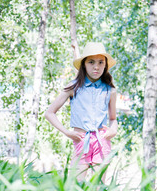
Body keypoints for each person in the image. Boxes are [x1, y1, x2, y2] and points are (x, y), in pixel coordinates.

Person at [45, 42, 118, 182]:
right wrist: (67, 132)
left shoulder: (110, 90)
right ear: (84, 64)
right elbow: (49, 113)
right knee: (76, 185)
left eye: (100, 62)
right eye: (91, 62)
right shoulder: (73, 87)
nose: (96, 67)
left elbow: (113, 119)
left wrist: (113, 130)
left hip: (101, 143)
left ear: (105, 65)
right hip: (81, 141)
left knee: (98, 186)